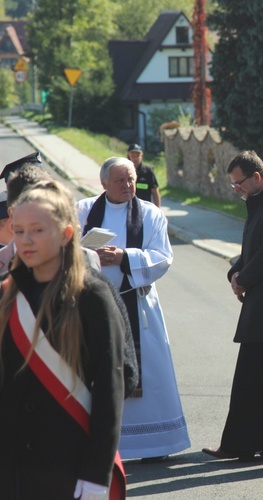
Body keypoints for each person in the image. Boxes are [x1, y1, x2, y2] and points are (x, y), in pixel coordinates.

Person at [0, 180, 126, 499]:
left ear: (66, 234)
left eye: (38, 230)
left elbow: (110, 389)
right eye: (19, 231)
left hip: (70, 465)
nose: (26, 241)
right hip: (15, 467)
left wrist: (96, 475)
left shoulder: (92, 296)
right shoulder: (8, 296)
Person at [77, 157, 189, 461]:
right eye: (120, 181)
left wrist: (125, 257)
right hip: (93, 306)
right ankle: (104, 443)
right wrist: (91, 255)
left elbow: (162, 257)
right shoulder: (84, 210)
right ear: (103, 184)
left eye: (131, 179)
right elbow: (67, 249)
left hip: (137, 304)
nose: (128, 186)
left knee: (149, 371)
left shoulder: (151, 214)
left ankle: (156, 444)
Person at [202, 150, 263, 461]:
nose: (236, 189)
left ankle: (244, 444)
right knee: (260, 380)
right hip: (262, 305)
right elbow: (250, 250)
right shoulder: (260, 202)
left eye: (238, 183)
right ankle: (259, 442)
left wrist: (243, 278)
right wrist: (235, 272)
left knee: (258, 380)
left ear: (257, 177)